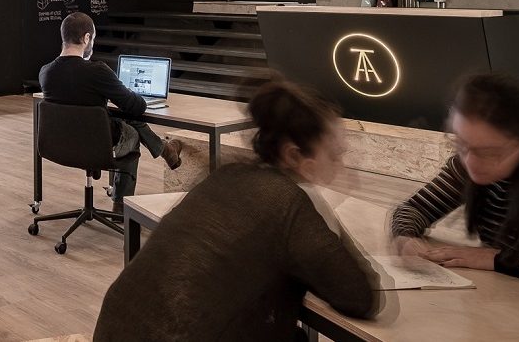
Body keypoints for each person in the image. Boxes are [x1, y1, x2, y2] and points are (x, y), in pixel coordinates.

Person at [94, 80, 380, 341]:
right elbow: (358, 296)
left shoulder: (226, 175)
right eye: (335, 153)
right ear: (294, 155)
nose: (342, 164)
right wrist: (324, 210)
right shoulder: (287, 201)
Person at [391, 72, 519, 292]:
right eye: (461, 144)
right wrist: (405, 237)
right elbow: (416, 208)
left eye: (490, 153)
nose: (471, 163)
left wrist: (499, 260)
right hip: (514, 294)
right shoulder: (469, 160)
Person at [39, 12, 182, 212]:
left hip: (61, 144)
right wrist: (124, 90)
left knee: (120, 118)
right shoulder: (97, 71)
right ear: (86, 38)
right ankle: (121, 203)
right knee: (131, 130)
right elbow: (137, 106)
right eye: (93, 39)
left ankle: (166, 150)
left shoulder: (46, 72)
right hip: (96, 143)